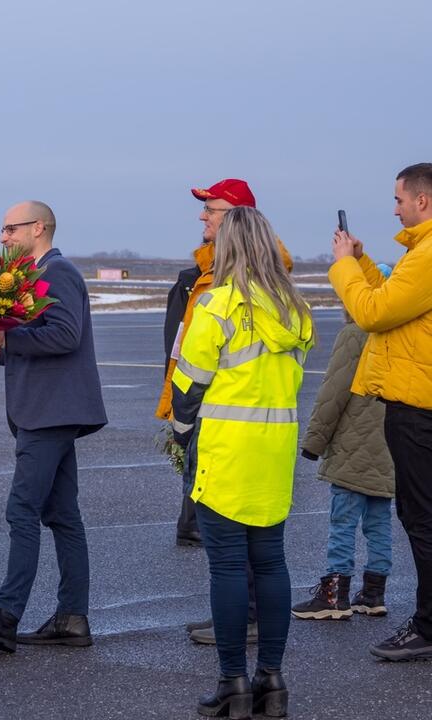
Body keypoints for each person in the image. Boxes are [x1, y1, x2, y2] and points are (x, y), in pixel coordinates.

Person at [171, 207, 314, 718]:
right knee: (271, 562)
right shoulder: (296, 310)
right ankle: (271, 679)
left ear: (227, 249)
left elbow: (187, 385)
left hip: (226, 452)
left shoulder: (217, 306)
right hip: (274, 452)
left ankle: (232, 681)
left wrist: (181, 436)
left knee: (229, 567)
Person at [0, 201, 107, 653]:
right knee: (62, 515)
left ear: (38, 228)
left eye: (11, 229)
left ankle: (6, 614)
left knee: (22, 510)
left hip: (49, 411)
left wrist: (8, 337)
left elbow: (66, 335)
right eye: (3, 230)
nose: (4, 238)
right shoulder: (30, 275)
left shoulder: (57, 272)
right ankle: (72, 618)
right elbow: (38, 337)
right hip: (49, 409)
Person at [330, 162, 432, 662]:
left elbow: (371, 313)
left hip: (418, 409)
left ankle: (429, 626)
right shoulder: (419, 254)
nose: (395, 209)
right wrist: (364, 263)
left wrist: (343, 266)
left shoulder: (428, 254)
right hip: (418, 402)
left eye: (399, 199)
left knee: (422, 518)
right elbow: (390, 301)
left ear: (422, 201)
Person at [157, 179, 260, 549]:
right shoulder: (195, 277)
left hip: (233, 410)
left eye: (210, 209)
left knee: (235, 543)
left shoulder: (254, 280)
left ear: (235, 218)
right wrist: (176, 403)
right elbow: (178, 347)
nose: (202, 216)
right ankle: (193, 521)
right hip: (203, 406)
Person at [291, 308, 393, 621]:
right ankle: (374, 593)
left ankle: (334, 595)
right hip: (391, 445)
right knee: (380, 522)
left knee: (343, 522)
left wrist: (314, 442)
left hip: (353, 445)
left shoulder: (355, 334)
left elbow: (333, 392)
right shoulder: (402, 334)